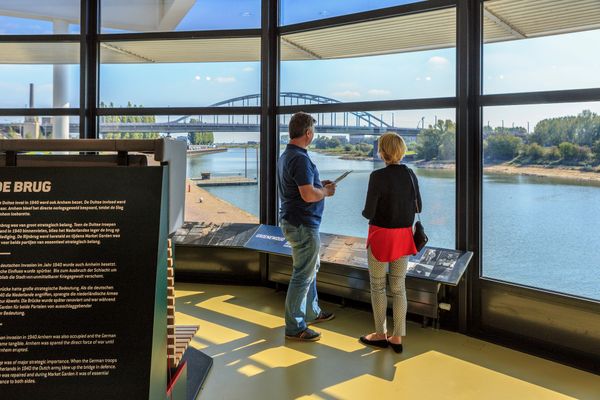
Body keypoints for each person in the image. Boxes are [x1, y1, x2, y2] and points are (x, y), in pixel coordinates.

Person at [359, 132, 422, 353]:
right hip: (403, 238)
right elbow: (419, 207)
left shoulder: (377, 176)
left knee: (378, 286)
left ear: (381, 152)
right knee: (398, 287)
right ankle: (397, 337)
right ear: (402, 151)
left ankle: (380, 334)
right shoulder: (411, 175)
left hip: (381, 237)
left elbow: (368, 212)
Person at [278, 111, 337, 341]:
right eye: (313, 131)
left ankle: (312, 311)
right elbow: (307, 195)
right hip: (303, 224)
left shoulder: (287, 155)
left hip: (294, 221)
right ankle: (295, 327)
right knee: (302, 275)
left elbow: (300, 187)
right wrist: (325, 192)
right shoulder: (300, 158)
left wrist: (317, 184)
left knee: (310, 268)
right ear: (308, 133)